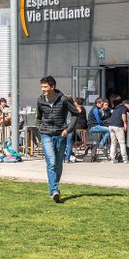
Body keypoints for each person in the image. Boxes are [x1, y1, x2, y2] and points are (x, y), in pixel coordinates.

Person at [36, 75, 79, 203]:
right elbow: (39, 117)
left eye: (45, 86)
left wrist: (68, 130)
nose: (42, 89)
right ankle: (54, 190)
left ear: (52, 87)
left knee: (59, 164)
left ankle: (54, 188)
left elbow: (76, 114)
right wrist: (40, 128)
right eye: (42, 86)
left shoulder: (64, 99)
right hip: (46, 134)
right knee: (52, 162)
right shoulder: (40, 100)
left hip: (61, 134)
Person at [107, 95, 129, 163]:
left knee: (113, 143)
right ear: (126, 104)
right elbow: (123, 115)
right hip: (118, 126)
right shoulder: (124, 107)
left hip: (110, 126)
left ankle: (112, 158)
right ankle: (125, 159)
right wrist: (125, 123)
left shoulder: (117, 107)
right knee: (122, 142)